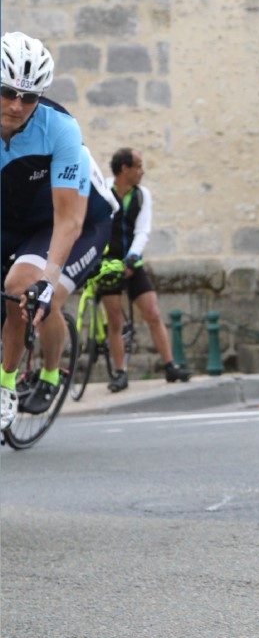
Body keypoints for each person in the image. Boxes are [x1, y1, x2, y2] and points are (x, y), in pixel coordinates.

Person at [1, 31, 116, 430]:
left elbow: (69, 218)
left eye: (28, 97)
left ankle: (37, 377)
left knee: (26, 289)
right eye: (6, 92)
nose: (17, 105)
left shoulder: (61, 128)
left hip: (78, 221)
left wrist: (48, 280)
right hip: (17, 218)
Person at [101, 147, 190, 391]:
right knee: (115, 320)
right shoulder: (103, 190)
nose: (142, 171)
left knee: (152, 312)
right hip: (108, 264)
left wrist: (132, 258)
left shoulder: (142, 195)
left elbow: (143, 230)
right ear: (124, 169)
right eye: (138, 166)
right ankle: (120, 372)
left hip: (132, 262)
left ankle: (170, 365)